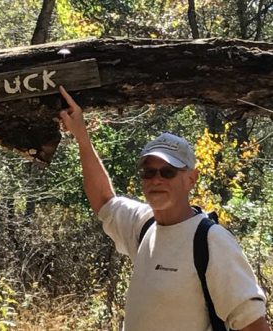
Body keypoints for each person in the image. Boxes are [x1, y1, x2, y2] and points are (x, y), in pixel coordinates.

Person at [58, 85, 271, 331]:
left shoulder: (212, 242)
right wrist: (82, 137)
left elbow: (253, 325)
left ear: (191, 179)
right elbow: (104, 200)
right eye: (149, 172)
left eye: (168, 171)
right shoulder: (143, 224)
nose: (156, 179)